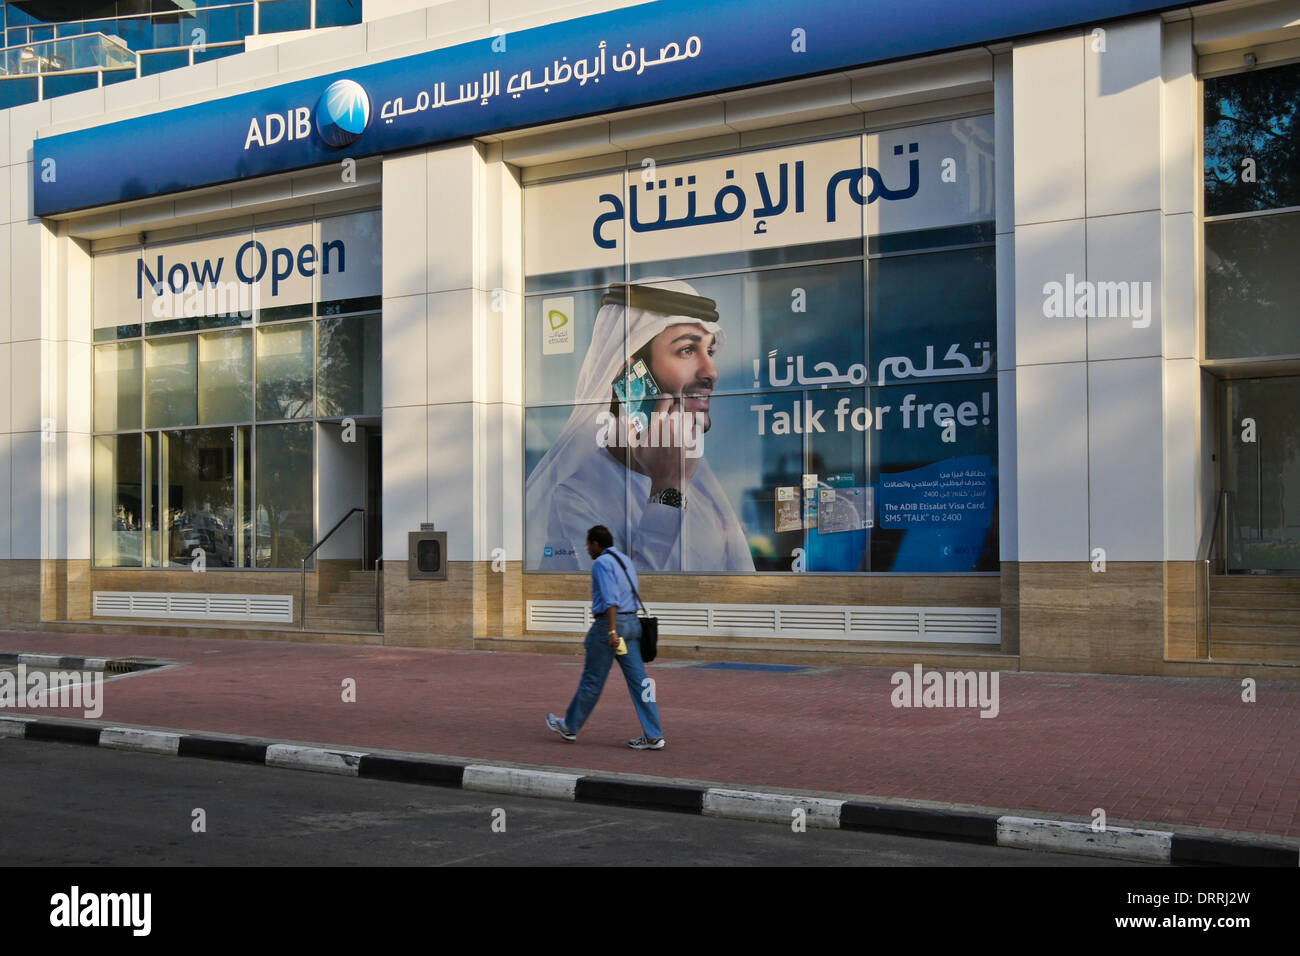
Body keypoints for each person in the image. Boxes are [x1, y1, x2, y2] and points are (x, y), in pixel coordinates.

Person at [526, 280, 755, 572]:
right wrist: (668, 490)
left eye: (709, 352)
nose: (711, 372)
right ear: (630, 375)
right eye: (687, 350)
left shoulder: (699, 488)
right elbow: (619, 605)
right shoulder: (572, 498)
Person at [546, 525, 664, 750]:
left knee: (593, 680)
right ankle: (654, 735)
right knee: (640, 682)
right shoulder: (624, 560)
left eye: (588, 544)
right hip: (631, 625)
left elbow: (611, 599)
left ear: (596, 544)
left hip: (611, 627)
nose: (587, 549)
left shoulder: (601, 563)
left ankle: (569, 727)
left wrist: (611, 631)